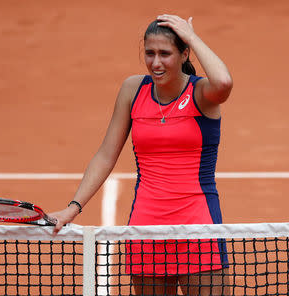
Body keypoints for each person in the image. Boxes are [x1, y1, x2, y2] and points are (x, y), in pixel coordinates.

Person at [50, 14, 233, 295]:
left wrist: (192, 37)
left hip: (199, 226)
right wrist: (72, 208)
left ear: (185, 53)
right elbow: (105, 155)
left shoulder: (200, 93)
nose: (156, 63)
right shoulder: (133, 90)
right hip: (146, 228)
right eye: (150, 53)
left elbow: (223, 83)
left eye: (165, 54)